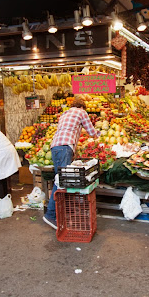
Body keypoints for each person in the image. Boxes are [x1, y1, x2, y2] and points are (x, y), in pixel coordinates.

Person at [43, 96, 99, 229]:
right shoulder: (82, 112)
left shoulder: (65, 113)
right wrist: (99, 135)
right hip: (65, 147)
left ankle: (63, 212)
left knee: (61, 179)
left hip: (55, 147)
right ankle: (50, 215)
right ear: (82, 107)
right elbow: (91, 132)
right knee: (62, 181)